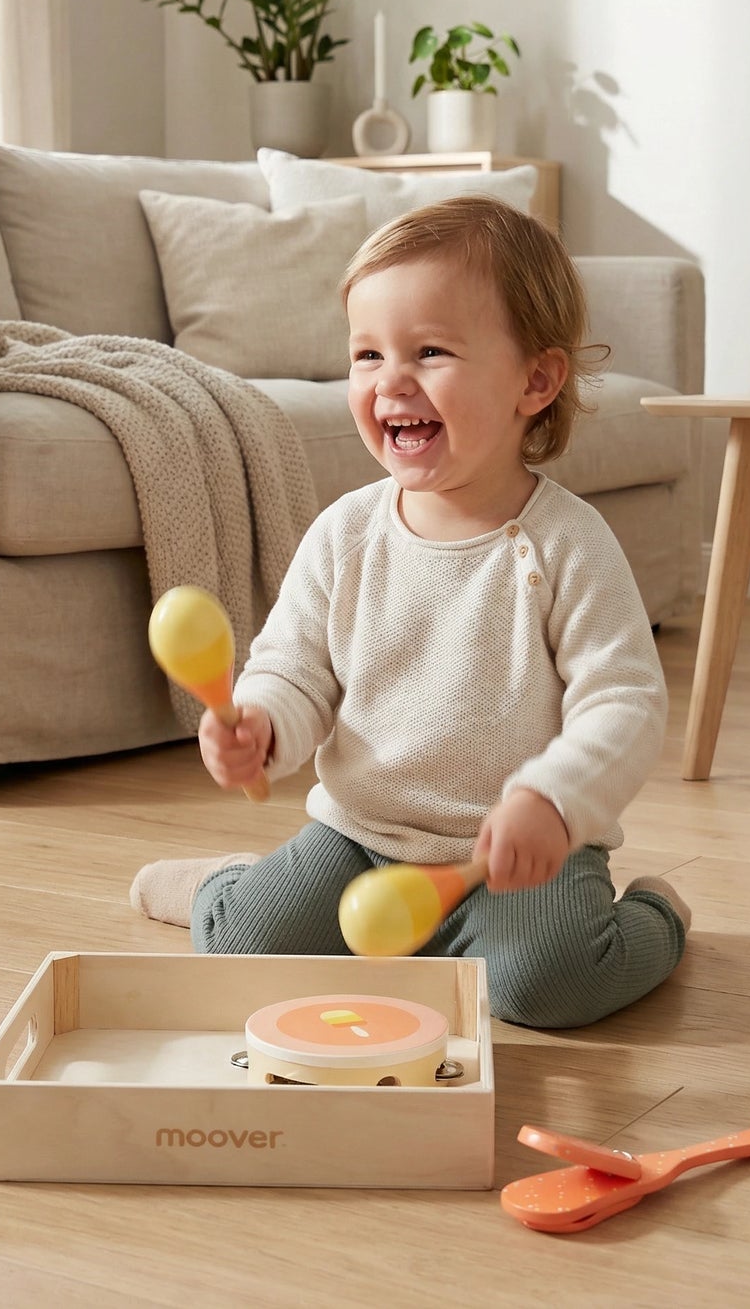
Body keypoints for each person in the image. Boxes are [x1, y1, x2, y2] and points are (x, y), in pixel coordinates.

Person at [129, 196, 688, 1028]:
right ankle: (227, 885)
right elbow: (293, 668)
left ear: (534, 381)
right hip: (361, 836)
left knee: (550, 981)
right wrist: (261, 726)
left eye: (429, 351)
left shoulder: (568, 543)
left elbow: (625, 703)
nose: (389, 380)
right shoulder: (345, 532)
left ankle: (656, 914)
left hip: (512, 855)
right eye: (366, 354)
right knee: (245, 941)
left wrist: (553, 799)